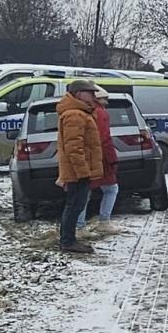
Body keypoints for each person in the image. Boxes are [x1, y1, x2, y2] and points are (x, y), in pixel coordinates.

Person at [56, 79, 105, 254]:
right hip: (78, 172)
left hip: (79, 170)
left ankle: (68, 240)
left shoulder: (81, 113)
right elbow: (73, 147)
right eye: (90, 93)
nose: (93, 96)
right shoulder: (74, 115)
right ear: (78, 94)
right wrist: (83, 171)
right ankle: (68, 241)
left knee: (76, 204)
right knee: (75, 205)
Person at [76, 86, 120, 237]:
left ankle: (80, 226)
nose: (107, 102)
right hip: (99, 158)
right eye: (105, 99)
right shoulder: (101, 113)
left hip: (87, 157)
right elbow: (103, 138)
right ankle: (102, 222)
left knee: (85, 191)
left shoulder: (85, 111)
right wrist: (111, 158)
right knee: (110, 189)